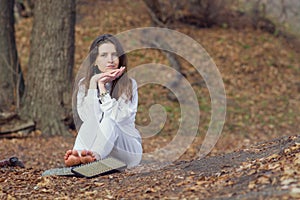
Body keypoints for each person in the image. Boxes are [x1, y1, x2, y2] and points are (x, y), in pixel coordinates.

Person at [64, 34, 142, 168]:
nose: (110, 60)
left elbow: (119, 117)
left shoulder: (129, 84)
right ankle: (79, 156)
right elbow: (88, 117)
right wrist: (94, 83)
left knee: (110, 119)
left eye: (114, 55)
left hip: (127, 150)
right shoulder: (85, 84)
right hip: (102, 149)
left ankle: (94, 158)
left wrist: (102, 88)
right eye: (104, 55)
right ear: (95, 61)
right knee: (90, 122)